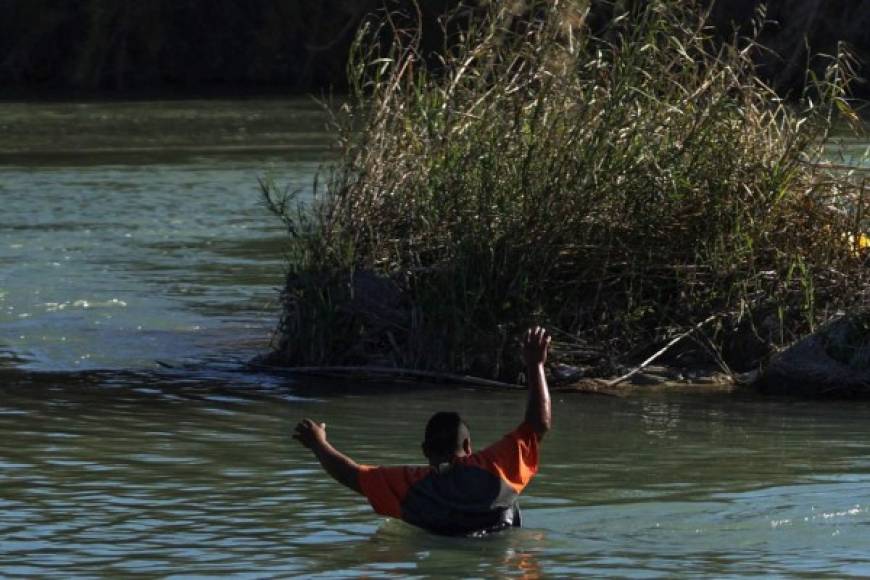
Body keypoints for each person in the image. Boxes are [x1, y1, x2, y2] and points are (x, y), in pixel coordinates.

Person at [292, 326, 552, 536]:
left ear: (425, 451)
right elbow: (538, 424)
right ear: (468, 446)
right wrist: (535, 365)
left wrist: (318, 443)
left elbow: (349, 475)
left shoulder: (412, 485)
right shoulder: (495, 467)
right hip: (500, 556)